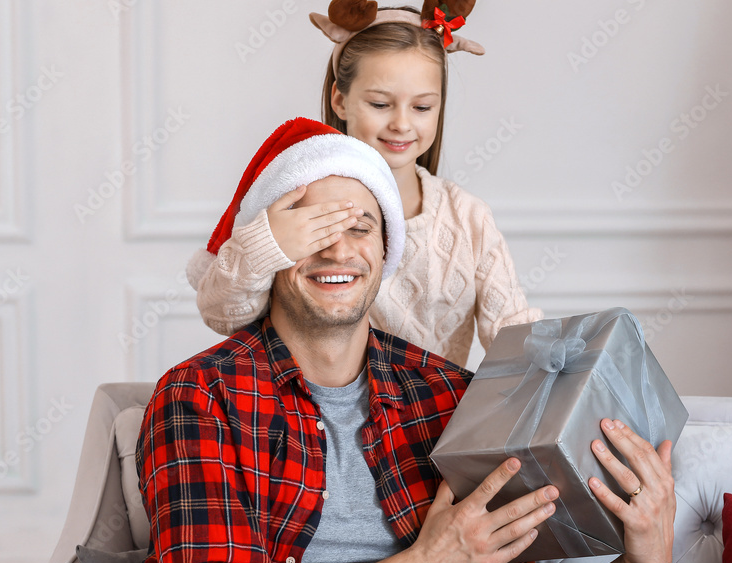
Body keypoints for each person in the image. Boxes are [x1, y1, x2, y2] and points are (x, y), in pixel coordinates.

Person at [138, 119, 732, 563]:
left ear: (385, 250)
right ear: (270, 250)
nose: (339, 249)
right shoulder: (198, 398)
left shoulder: (445, 395)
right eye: (311, 226)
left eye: (360, 226)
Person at [186, 1, 541, 368]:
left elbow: (515, 339)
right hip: (315, 419)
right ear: (340, 99)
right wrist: (268, 245)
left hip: (434, 418)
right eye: (380, 104)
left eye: (421, 107)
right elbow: (221, 314)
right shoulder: (296, 199)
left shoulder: (467, 218)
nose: (402, 124)